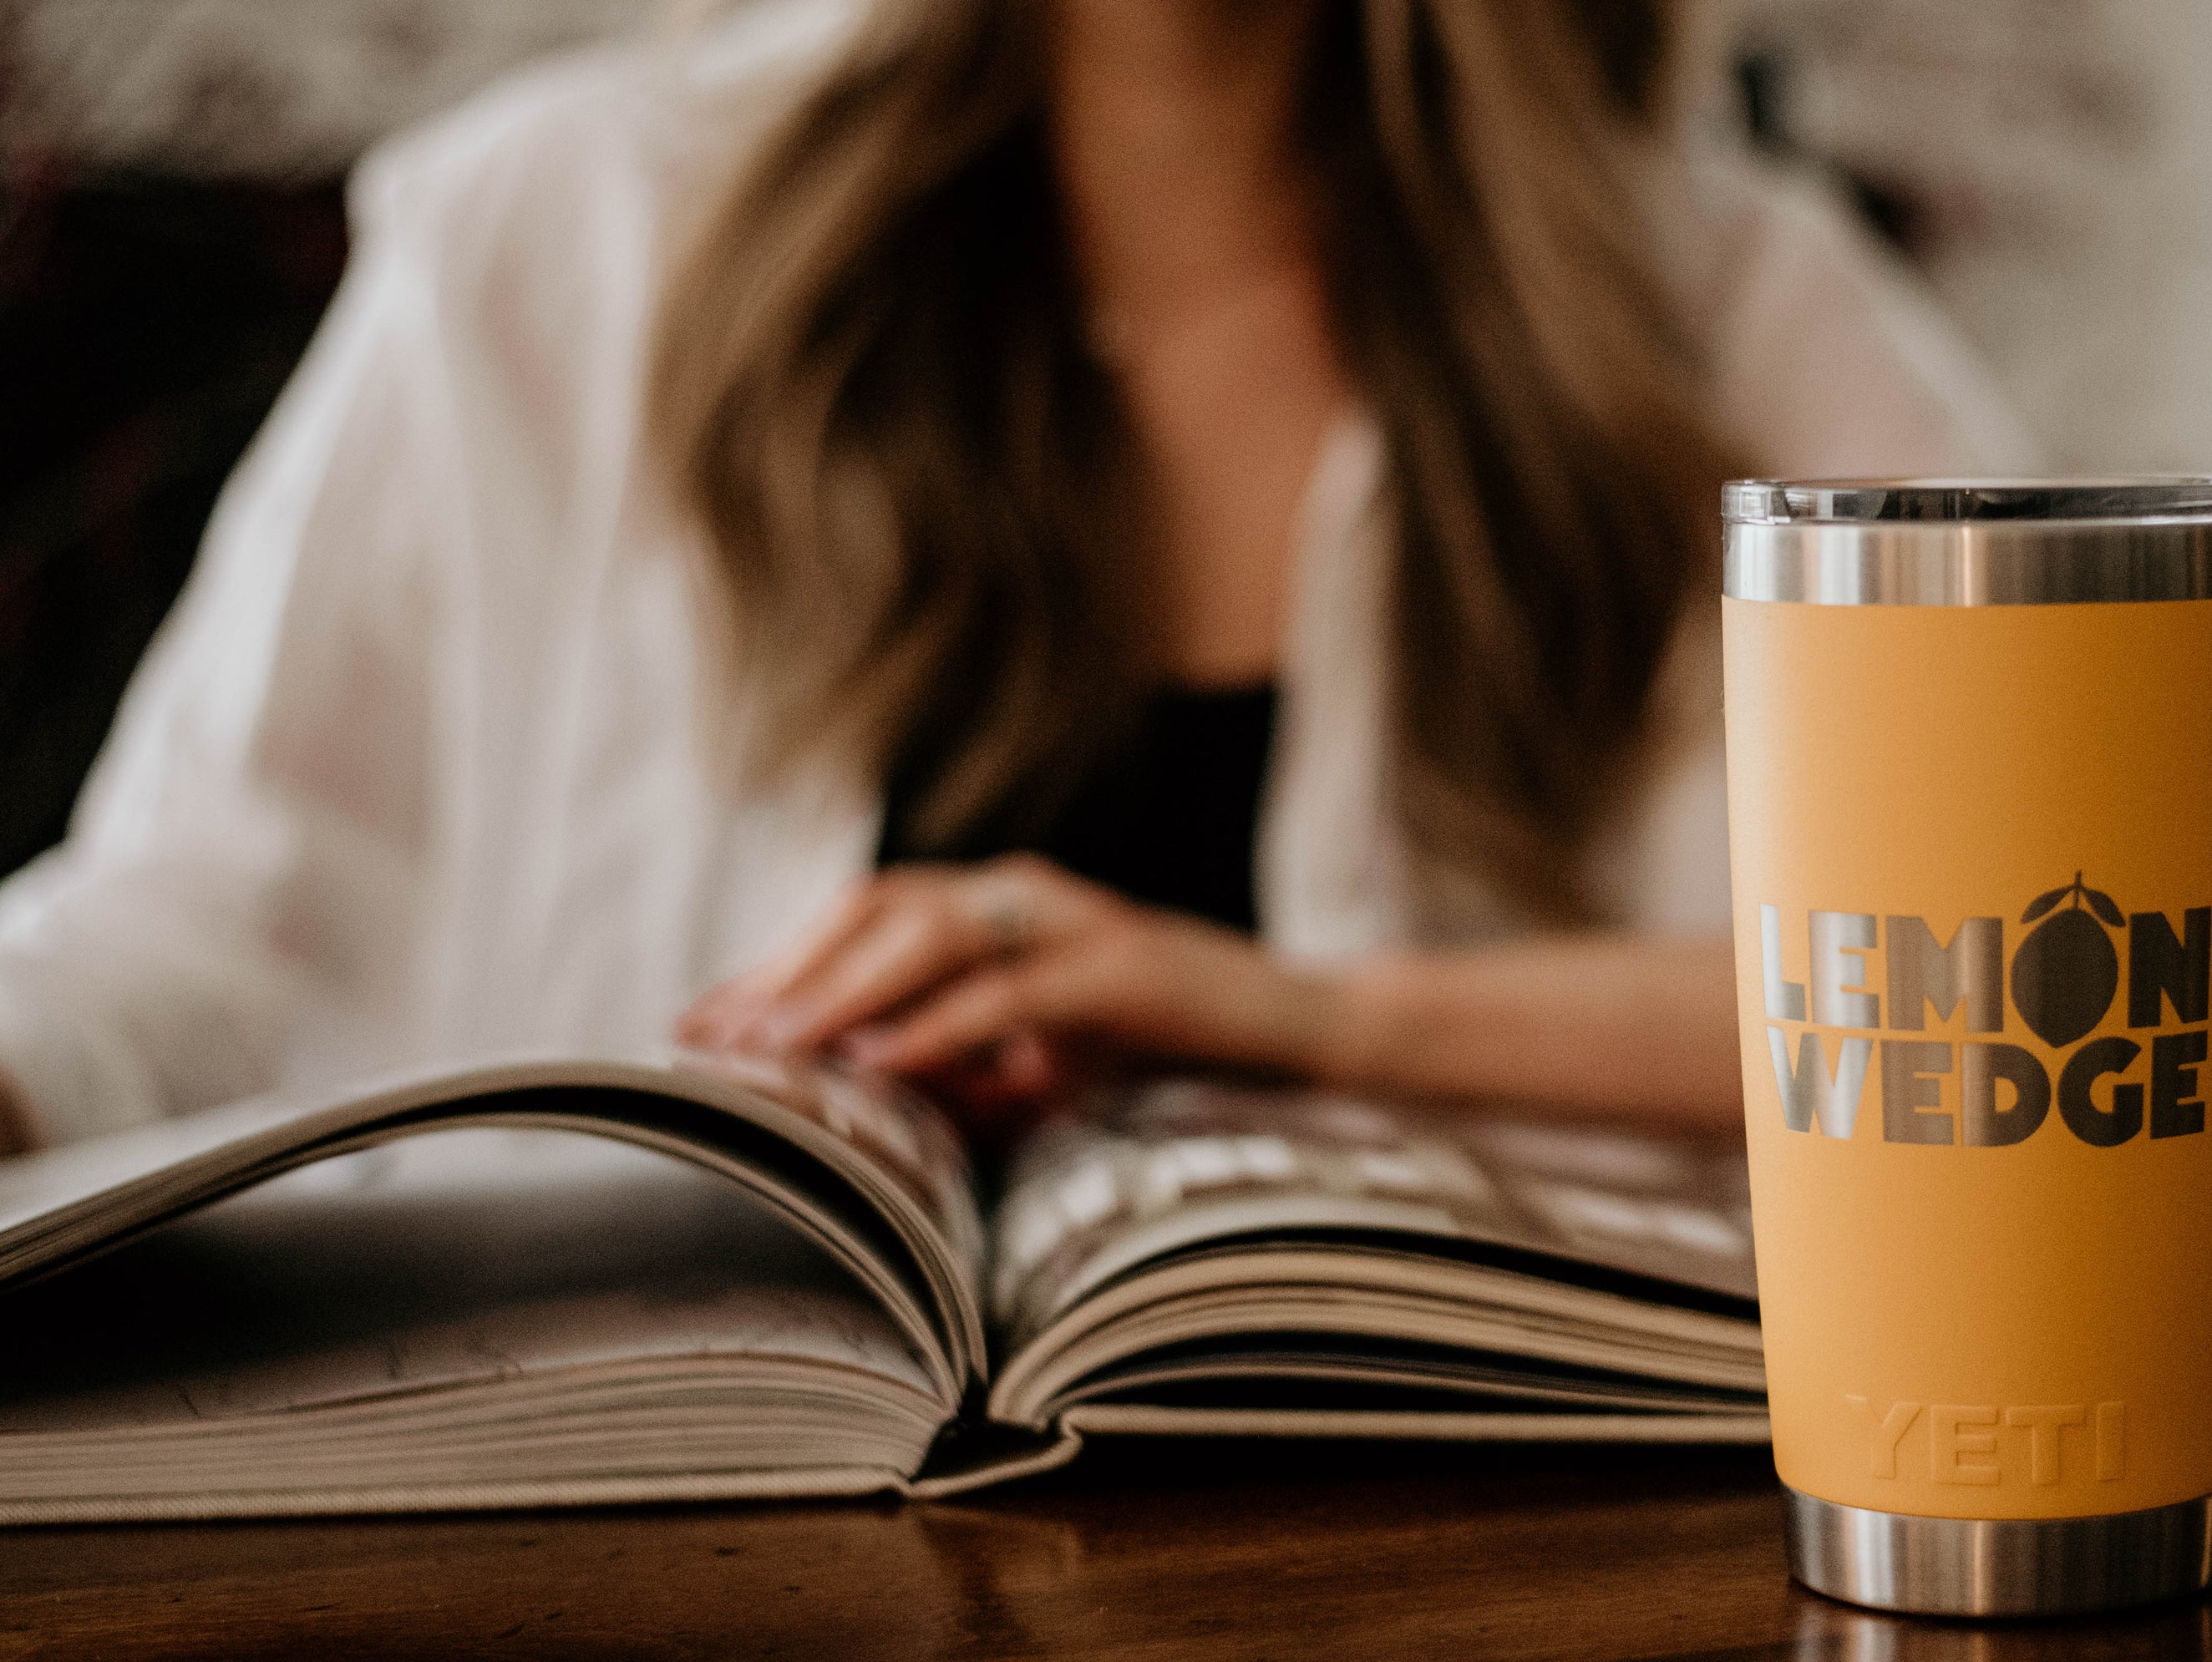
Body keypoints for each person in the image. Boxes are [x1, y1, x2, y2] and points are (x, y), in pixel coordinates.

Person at [0, 0, 2045, 1155]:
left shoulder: (1720, 310)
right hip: (662, 1599)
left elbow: (2161, 966)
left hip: (1444, 1596)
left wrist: (1302, 1017)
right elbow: (199, 913)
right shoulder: (558, 237)